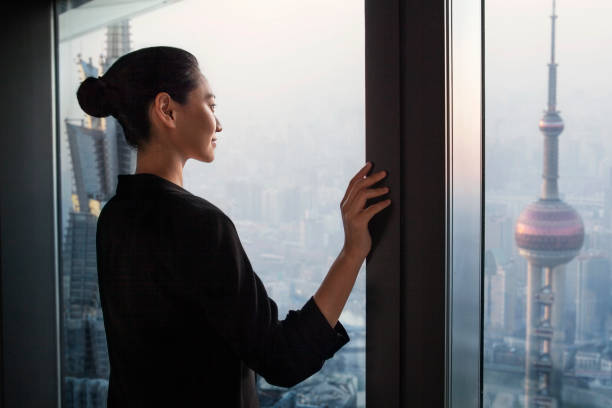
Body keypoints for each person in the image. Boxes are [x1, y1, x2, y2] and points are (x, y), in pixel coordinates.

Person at [79, 46, 391, 407]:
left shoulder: (114, 217)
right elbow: (281, 358)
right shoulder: (201, 225)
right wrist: (353, 252)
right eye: (210, 105)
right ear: (167, 109)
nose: (219, 122)